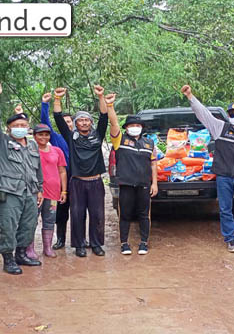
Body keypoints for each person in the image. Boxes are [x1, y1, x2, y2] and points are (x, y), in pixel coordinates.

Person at [182, 85, 234, 253]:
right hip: (224, 176)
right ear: (228, 116)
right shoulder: (220, 128)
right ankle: (230, 239)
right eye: (232, 115)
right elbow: (203, 114)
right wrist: (190, 96)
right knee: (225, 209)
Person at [0, 83, 43, 274]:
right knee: (8, 226)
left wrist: (40, 189)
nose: (20, 128)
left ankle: (21, 254)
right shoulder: (3, 143)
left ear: (28, 128)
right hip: (10, 192)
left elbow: (38, 169)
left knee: (29, 225)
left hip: (30, 192)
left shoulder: (33, 145)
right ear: (9, 128)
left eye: (23, 125)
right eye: (16, 126)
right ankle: (8, 259)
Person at [53, 86, 108, 257]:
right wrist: (57, 99)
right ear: (76, 123)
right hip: (77, 182)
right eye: (80, 120)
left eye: (87, 120)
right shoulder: (71, 137)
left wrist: (101, 96)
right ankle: (79, 246)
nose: (84, 122)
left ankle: (96, 244)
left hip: (95, 181)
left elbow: (104, 117)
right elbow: (58, 118)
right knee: (77, 215)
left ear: (91, 122)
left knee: (97, 214)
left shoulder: (97, 135)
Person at [106, 96, 159, 255]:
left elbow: (153, 163)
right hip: (126, 184)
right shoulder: (120, 140)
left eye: (137, 125)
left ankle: (144, 243)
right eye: (131, 125)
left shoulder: (149, 143)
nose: (135, 127)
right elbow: (114, 124)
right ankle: (124, 244)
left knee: (144, 215)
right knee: (125, 214)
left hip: (143, 185)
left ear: (142, 128)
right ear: (127, 127)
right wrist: (110, 105)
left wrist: (154, 183)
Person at [38, 94, 72, 250]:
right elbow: (45, 124)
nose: (68, 125)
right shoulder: (57, 139)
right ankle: (60, 240)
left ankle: (81, 240)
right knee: (61, 213)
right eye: (65, 122)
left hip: (78, 180)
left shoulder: (80, 138)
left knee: (79, 212)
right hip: (62, 180)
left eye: (70, 122)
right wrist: (45, 105)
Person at [31, 122, 68, 258]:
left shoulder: (57, 151)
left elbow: (62, 171)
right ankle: (30, 249)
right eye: (40, 134)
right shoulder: (30, 151)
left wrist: (64, 191)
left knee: (50, 220)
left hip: (53, 193)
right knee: (32, 220)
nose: (44, 137)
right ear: (34, 136)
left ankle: (47, 248)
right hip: (36, 193)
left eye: (46, 135)